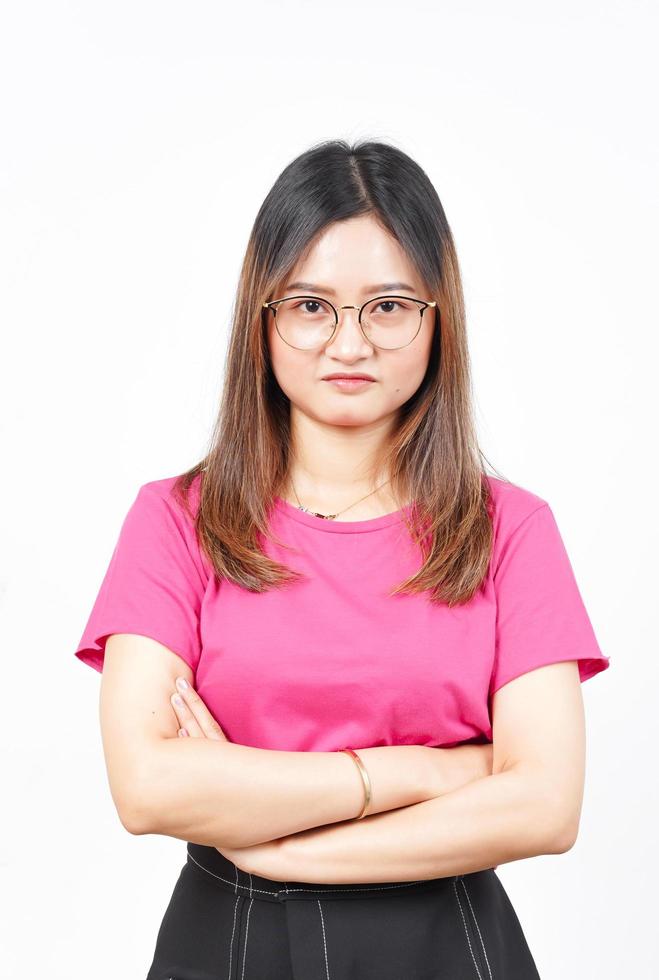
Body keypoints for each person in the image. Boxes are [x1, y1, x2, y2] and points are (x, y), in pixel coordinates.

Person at [73, 138, 611, 980]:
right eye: (311, 306)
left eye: (388, 306)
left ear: (438, 318)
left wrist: (285, 851)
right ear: (264, 315)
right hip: (229, 942)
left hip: (447, 944)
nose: (348, 344)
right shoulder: (177, 520)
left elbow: (544, 806)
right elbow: (148, 787)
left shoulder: (510, 528)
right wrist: (422, 771)